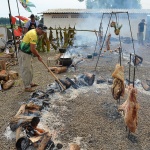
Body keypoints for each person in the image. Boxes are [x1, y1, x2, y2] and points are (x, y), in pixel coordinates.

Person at [18, 23, 47, 92]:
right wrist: (38, 56)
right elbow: (32, 49)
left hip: (28, 53)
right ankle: (27, 87)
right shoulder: (33, 34)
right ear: (39, 29)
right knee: (26, 69)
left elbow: (32, 48)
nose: (42, 33)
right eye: (42, 31)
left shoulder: (35, 32)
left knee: (30, 69)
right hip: (24, 53)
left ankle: (30, 83)